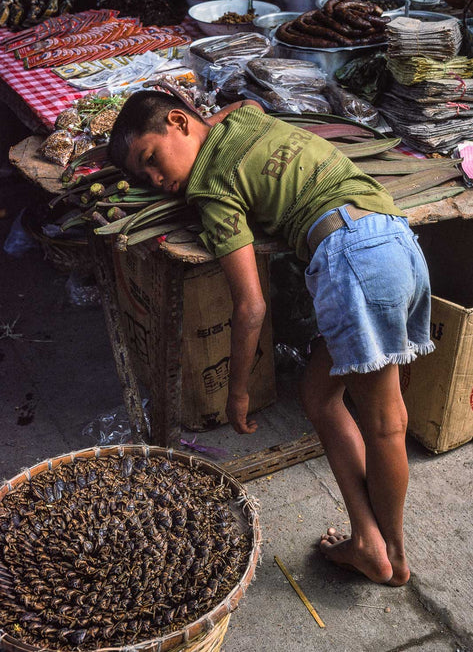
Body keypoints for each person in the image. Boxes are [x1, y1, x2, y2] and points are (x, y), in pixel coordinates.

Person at [108, 90, 434, 587]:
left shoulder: (212, 189)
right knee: (319, 396)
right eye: (141, 176)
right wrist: (205, 122)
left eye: (151, 158)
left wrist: (237, 391)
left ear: (179, 121)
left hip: (354, 261)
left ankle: (393, 556)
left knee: (387, 424)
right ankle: (369, 541)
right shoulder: (241, 127)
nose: (153, 180)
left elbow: (250, 306)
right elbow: (246, 105)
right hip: (395, 241)